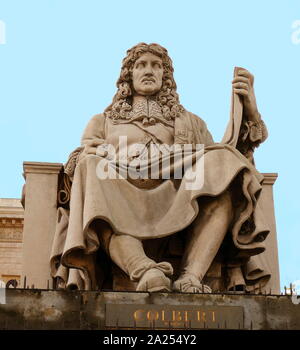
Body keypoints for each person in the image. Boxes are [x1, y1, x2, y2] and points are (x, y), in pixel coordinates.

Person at [50, 43, 270, 293]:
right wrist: (111, 157)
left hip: (179, 193)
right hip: (122, 193)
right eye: (141, 65)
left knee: (224, 166)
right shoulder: (103, 121)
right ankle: (144, 269)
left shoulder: (191, 123)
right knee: (90, 165)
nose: (149, 70)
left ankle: (191, 276)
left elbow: (235, 161)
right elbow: (80, 158)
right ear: (128, 75)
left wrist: (250, 112)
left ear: (165, 77)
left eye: (156, 66)